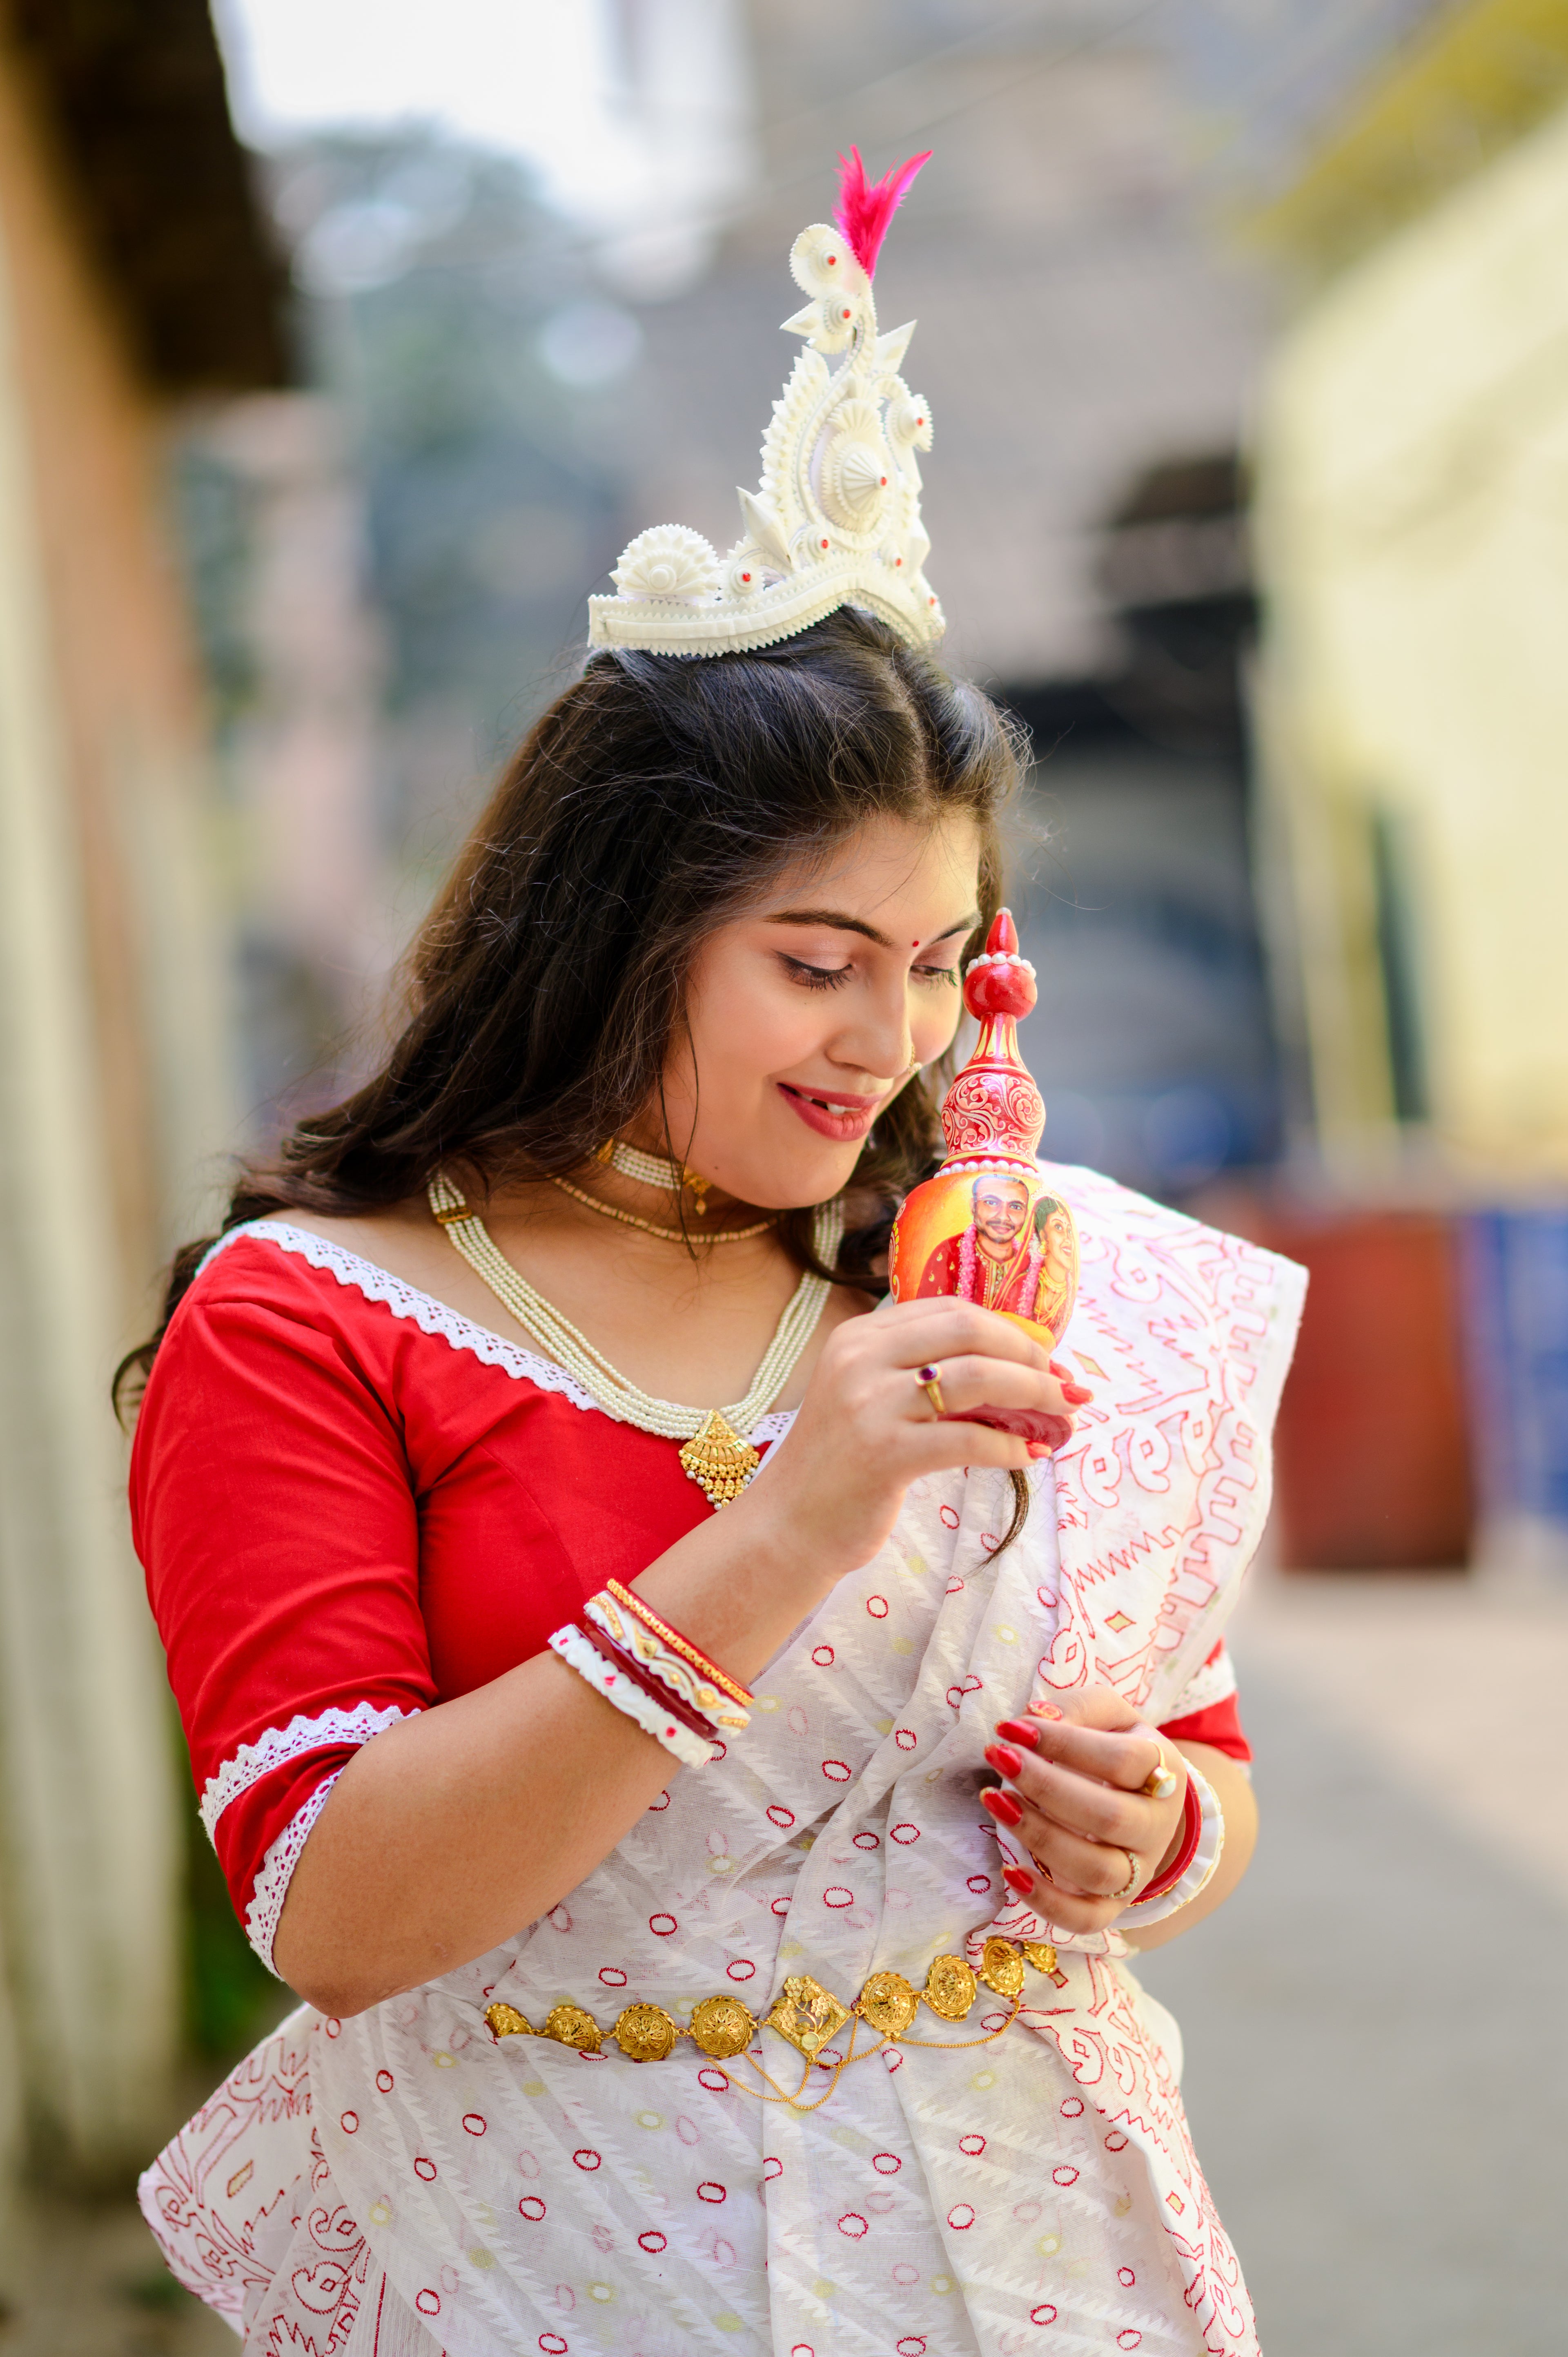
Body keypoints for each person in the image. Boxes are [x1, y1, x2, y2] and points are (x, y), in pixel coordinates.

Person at [130, 158, 1303, 2357]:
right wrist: (790, 1518)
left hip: (1040, 2255)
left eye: (945, 963)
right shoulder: (316, 1320)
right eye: (818, 958)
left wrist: (1157, 1829)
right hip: (547, 2268)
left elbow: (1198, 1754)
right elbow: (334, 1912)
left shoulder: (1011, 1271)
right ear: (611, 931)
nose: (895, 1039)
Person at [913, 1172, 1042, 1315]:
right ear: (973, 1207)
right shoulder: (949, 1253)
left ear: (1026, 1214)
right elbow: (926, 1319)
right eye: (991, 1203)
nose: (1003, 1216)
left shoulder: (1031, 1266)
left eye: (1016, 1207)